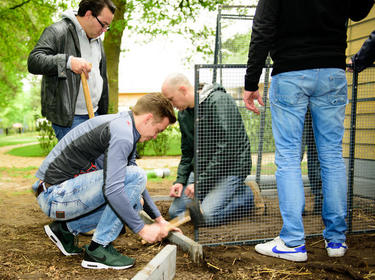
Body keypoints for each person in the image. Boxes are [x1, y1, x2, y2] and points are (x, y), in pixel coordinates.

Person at [243, 0, 374, 262]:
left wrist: (251, 81)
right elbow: (359, 10)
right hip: (332, 72)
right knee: (332, 157)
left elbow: (262, 29)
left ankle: (292, 242)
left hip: (290, 72)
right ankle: (336, 240)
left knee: (289, 157)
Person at [32, 92, 179, 269]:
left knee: (135, 202)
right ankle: (98, 249)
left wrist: (159, 219)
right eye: (158, 130)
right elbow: (114, 188)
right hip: (54, 196)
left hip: (57, 194)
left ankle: (66, 230)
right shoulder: (123, 133)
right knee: (136, 177)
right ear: (148, 119)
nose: (155, 136)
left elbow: (131, 182)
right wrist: (142, 229)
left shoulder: (124, 125)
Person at [161, 73, 254, 226]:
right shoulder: (184, 114)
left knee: (206, 217)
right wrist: (180, 180)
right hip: (204, 172)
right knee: (175, 213)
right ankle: (211, 197)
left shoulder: (218, 101)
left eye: (171, 99)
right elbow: (187, 152)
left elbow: (227, 149)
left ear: (183, 90)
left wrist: (200, 182)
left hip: (230, 169)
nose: (172, 105)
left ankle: (246, 195)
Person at [28, 0, 115, 140]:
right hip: (70, 119)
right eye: (103, 24)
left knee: (100, 161)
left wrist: (103, 114)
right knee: (79, 162)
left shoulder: (97, 39)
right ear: (88, 14)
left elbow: (101, 76)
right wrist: (68, 62)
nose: (104, 30)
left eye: (107, 27)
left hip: (96, 114)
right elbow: (34, 61)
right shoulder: (58, 31)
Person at [301, 109, 322, 216]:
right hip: (320, 105)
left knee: (292, 158)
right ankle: (321, 203)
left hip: (297, 106)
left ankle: (296, 207)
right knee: (317, 154)